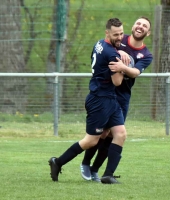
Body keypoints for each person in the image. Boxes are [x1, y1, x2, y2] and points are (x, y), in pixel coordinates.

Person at [48, 18, 129, 184]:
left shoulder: (100, 44)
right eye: (116, 34)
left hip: (109, 99)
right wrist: (123, 67)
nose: (120, 37)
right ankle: (58, 162)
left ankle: (108, 175)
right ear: (107, 33)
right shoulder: (111, 53)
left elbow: (109, 55)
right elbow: (117, 82)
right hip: (100, 100)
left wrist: (120, 56)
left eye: (121, 33)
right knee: (91, 140)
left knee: (120, 134)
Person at [80, 16, 153, 182]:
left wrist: (123, 67)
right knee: (101, 133)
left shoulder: (146, 55)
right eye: (138, 23)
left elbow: (135, 73)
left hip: (122, 97)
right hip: (107, 94)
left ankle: (96, 169)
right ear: (133, 26)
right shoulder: (120, 38)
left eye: (145, 26)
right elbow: (107, 47)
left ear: (148, 33)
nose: (140, 26)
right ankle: (85, 163)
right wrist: (119, 51)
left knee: (115, 136)